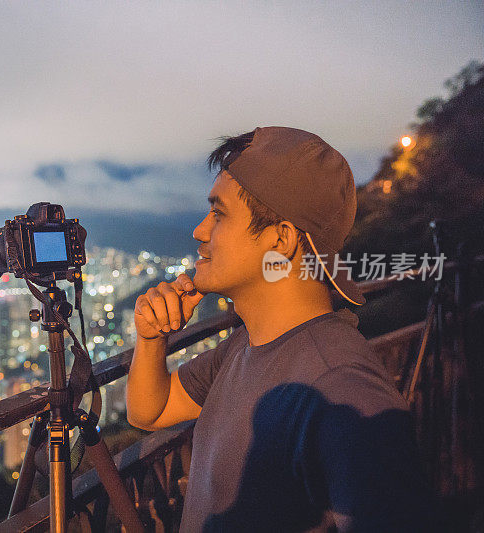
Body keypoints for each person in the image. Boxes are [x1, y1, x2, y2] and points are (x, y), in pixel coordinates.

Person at [126, 127, 438, 532]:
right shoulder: (246, 345)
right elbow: (151, 410)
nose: (199, 231)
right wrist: (151, 338)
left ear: (282, 240)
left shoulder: (340, 388)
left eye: (219, 214)